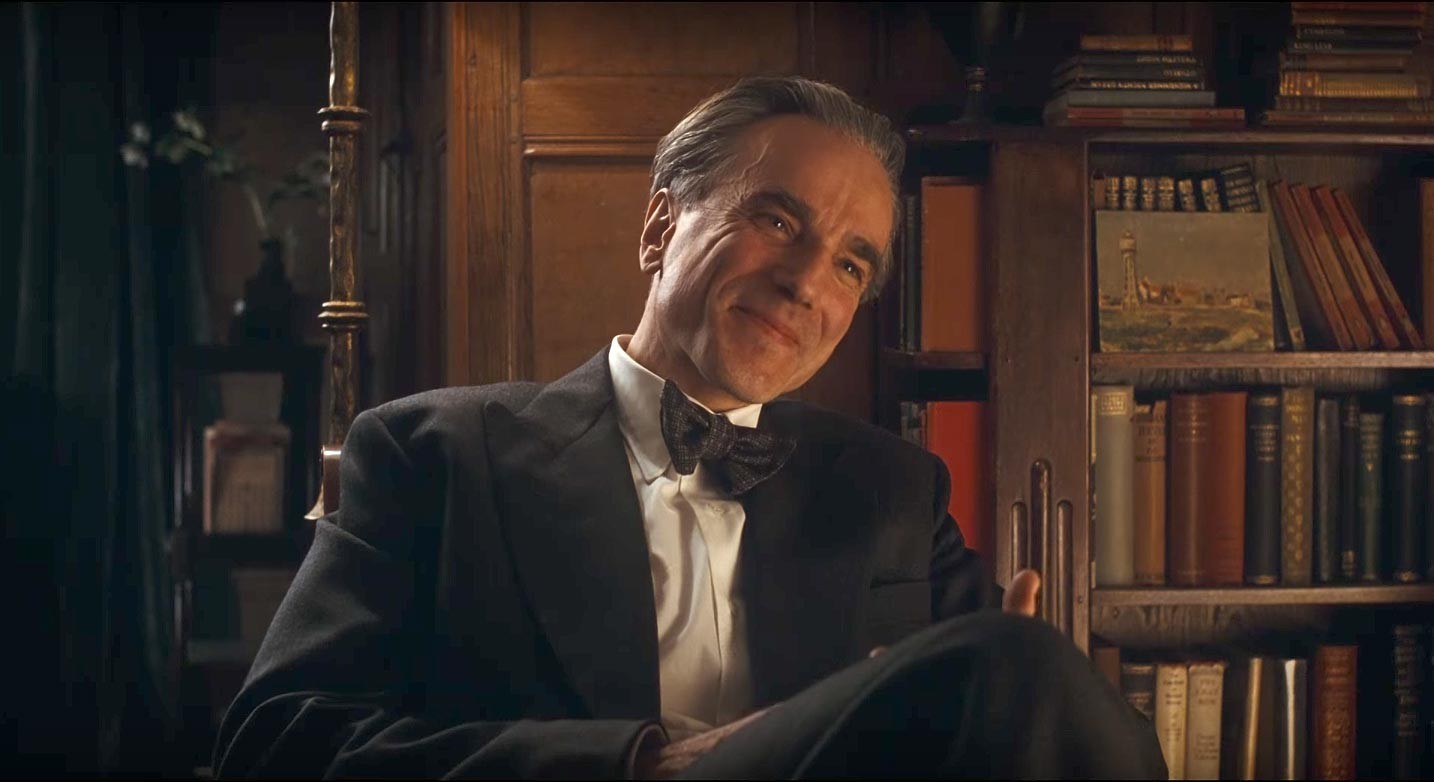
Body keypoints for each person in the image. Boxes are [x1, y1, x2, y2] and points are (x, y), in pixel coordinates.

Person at [212, 76, 1166, 779]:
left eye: (850, 266)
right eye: (778, 222)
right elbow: (276, 742)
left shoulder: (891, 491)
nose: (806, 284)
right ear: (660, 228)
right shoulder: (433, 456)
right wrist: (634, 766)